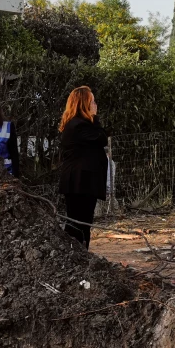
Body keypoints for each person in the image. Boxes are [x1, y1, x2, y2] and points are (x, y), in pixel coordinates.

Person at [56, 86, 108, 248]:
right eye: (92, 101)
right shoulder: (79, 126)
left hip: (81, 181)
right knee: (79, 222)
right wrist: (95, 118)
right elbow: (101, 138)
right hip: (80, 181)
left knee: (81, 221)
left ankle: (79, 254)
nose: (95, 105)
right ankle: (77, 254)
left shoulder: (77, 124)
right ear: (83, 104)